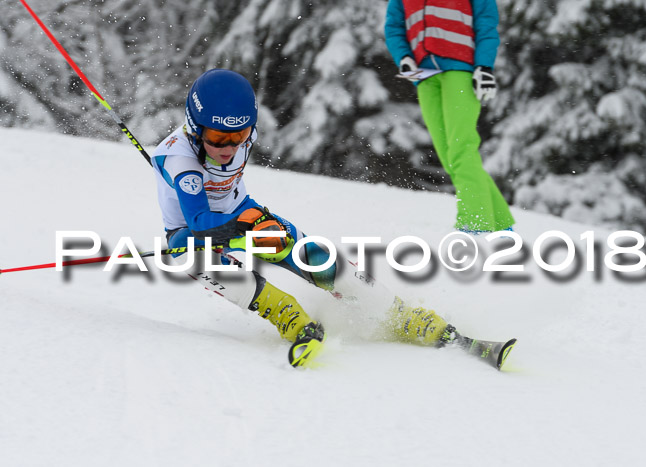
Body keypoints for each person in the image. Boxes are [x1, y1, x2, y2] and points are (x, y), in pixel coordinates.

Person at [151, 68, 514, 369]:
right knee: (194, 258)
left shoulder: (233, 132)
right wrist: (247, 225)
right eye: (218, 138)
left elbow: (236, 193)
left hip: (244, 214)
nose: (229, 148)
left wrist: (255, 223)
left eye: (240, 136)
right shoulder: (179, 161)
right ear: (194, 127)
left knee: (316, 259)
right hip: (193, 232)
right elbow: (199, 221)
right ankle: (290, 318)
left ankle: (405, 318)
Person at [384, 0, 515, 233]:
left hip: (460, 70)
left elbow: (486, 25)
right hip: (424, 75)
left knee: (461, 148)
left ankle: (475, 224)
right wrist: (403, 56)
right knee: (449, 156)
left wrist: (484, 67)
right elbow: (394, 26)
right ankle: (501, 226)